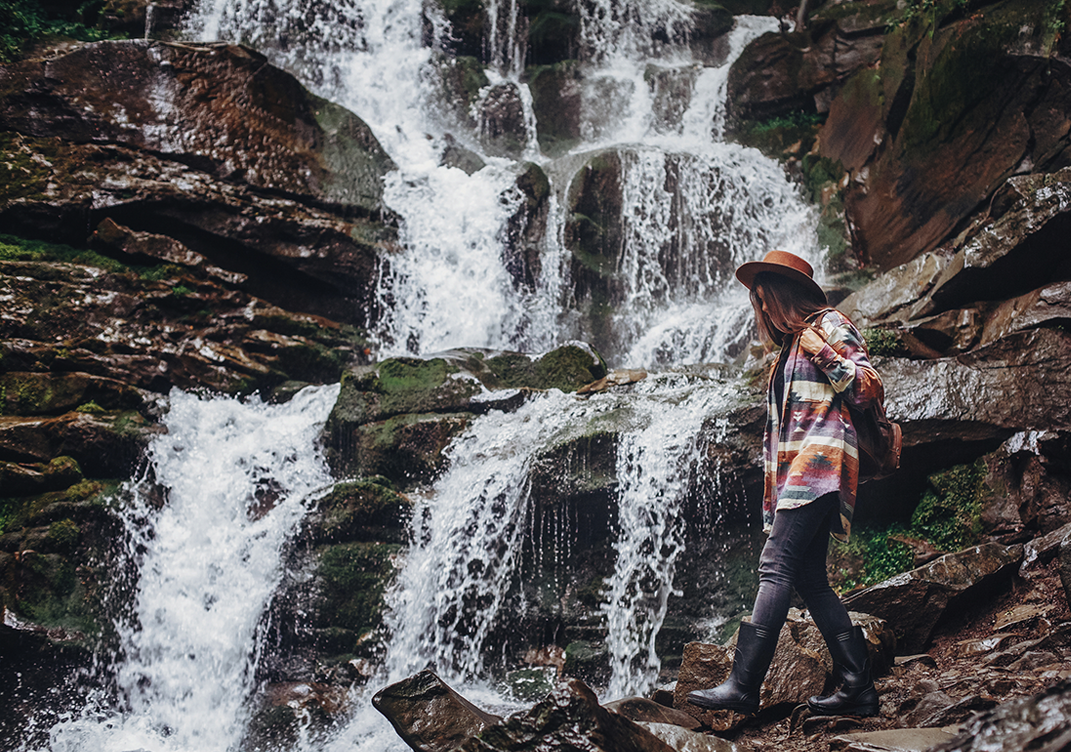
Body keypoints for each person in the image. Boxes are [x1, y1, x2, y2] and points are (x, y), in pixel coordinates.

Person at [687, 250, 882, 717]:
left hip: (824, 463)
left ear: (779, 295)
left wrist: (826, 353)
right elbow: (782, 437)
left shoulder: (828, 326)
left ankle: (744, 684)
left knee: (775, 565)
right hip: (799, 473)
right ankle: (858, 686)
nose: (762, 311)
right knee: (810, 579)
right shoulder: (785, 354)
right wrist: (774, 499)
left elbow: (868, 386)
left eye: (762, 300)